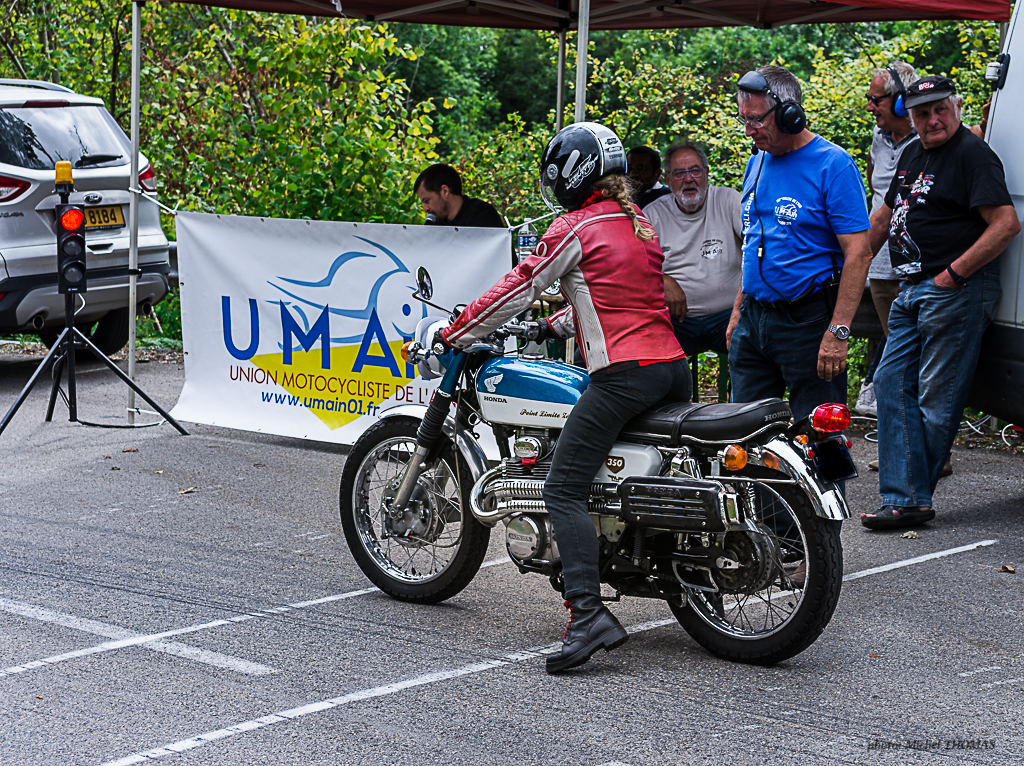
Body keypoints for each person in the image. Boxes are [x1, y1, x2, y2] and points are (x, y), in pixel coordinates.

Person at [439, 122, 690, 674]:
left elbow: (521, 282)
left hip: (624, 371)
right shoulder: (636, 221)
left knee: (562, 484)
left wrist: (457, 331)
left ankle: (587, 613)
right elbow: (616, 295)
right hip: (670, 367)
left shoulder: (576, 224)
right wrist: (558, 325)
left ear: (568, 175)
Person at [860, 76, 1020, 530]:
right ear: (909, 116)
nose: (932, 119)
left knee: (936, 397)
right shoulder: (912, 152)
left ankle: (907, 498)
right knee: (890, 382)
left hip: (956, 288)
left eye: (940, 110)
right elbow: (884, 217)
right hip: (911, 286)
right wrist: (849, 267)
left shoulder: (972, 154)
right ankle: (909, 495)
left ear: (955, 108)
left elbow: (1005, 224)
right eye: (921, 113)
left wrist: (953, 274)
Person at [726, 66, 872, 421]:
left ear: (790, 114)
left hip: (809, 322)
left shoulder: (833, 165)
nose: (749, 130)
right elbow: (755, 242)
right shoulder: (756, 161)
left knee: (820, 434)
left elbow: (859, 253)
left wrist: (838, 331)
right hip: (754, 319)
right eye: (744, 119)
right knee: (743, 433)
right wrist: (737, 311)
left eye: (757, 120)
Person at [643, 139, 742, 392]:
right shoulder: (652, 214)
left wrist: (741, 306)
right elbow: (634, 266)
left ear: (706, 174)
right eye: (679, 173)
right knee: (645, 356)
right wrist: (663, 280)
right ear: (667, 179)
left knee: (754, 344)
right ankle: (669, 419)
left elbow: (757, 249)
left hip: (729, 316)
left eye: (695, 170)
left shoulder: (728, 200)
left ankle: (743, 414)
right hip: (677, 320)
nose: (688, 179)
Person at [858, 61, 919, 418]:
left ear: (900, 102)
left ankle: (921, 450)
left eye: (875, 99)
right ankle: (902, 442)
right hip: (882, 269)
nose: (870, 106)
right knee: (897, 356)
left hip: (918, 268)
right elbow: (877, 193)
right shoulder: (878, 141)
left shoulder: (928, 136)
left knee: (917, 359)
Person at [413, 163, 503, 228]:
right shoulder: (436, 223)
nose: (425, 209)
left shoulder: (482, 215)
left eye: (427, 201)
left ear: (445, 191)